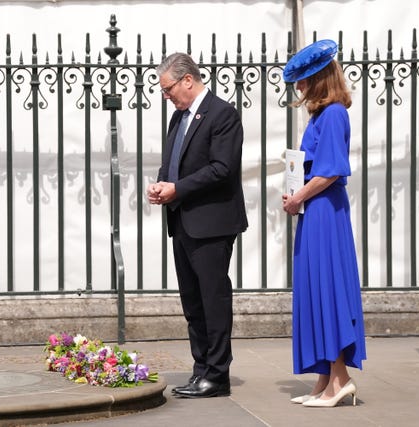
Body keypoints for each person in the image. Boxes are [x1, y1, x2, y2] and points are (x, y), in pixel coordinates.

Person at [147, 52, 248, 398]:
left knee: (213, 299)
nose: (167, 95)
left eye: (169, 88)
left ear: (187, 80)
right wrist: (162, 184)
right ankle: (200, 369)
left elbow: (223, 168)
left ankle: (217, 375)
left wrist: (179, 188)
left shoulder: (222, 114)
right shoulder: (178, 118)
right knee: (192, 302)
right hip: (182, 219)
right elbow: (172, 163)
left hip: (212, 223)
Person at [281, 39, 367, 407]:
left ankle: (340, 380)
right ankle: (325, 379)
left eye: (303, 80)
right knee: (315, 290)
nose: (299, 87)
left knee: (328, 290)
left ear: (317, 79)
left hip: (325, 212)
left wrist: (298, 196)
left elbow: (331, 170)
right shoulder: (322, 115)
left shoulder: (333, 114)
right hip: (317, 211)